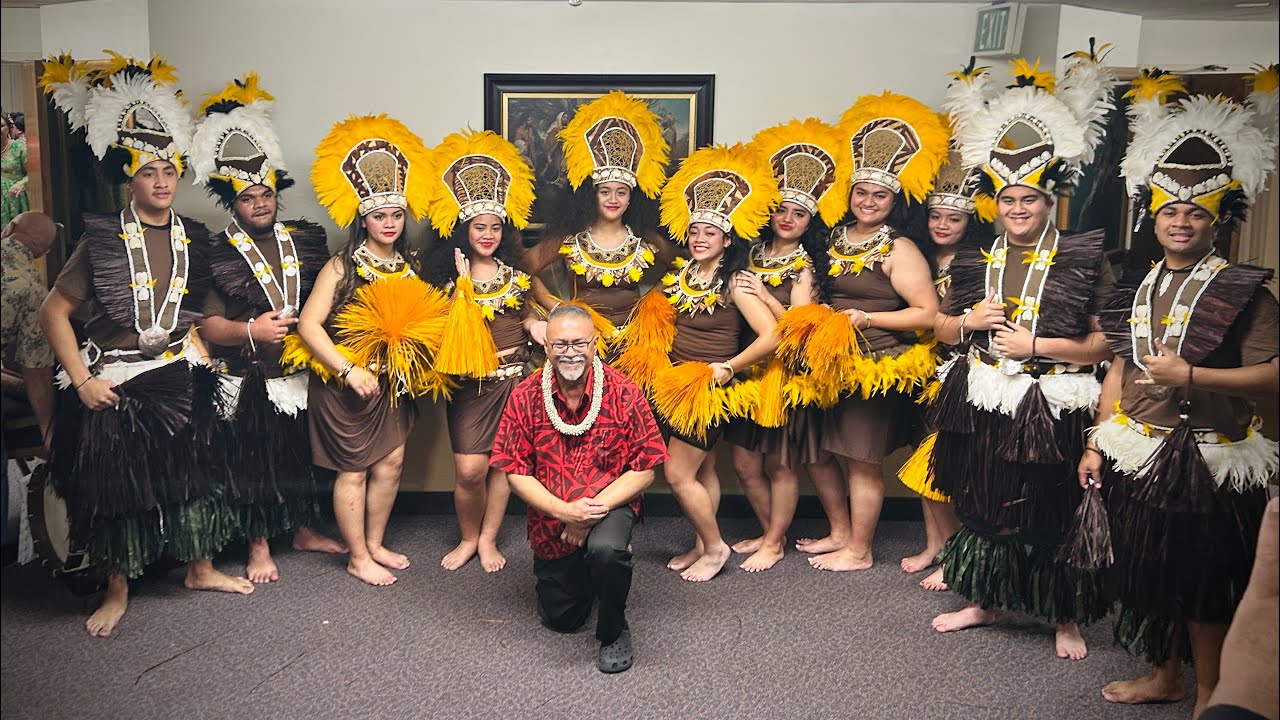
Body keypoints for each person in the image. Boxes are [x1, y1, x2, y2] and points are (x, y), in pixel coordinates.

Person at [1081, 68, 1278, 714]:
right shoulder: (1137, 284)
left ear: (1216, 222)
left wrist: (1191, 377)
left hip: (1207, 458)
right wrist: (1095, 442)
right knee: (1154, 575)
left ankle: (1212, 694)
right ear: (1154, 217)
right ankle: (1164, 676)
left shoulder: (1246, 290)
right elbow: (1119, 368)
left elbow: (1274, 373)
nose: (1182, 223)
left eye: (1196, 213)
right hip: (1139, 449)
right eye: (1171, 212)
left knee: (1202, 585)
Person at [38, 53, 252, 637]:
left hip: (176, 369)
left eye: (169, 172)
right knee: (118, 487)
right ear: (129, 178)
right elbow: (53, 311)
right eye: (149, 173)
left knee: (198, 471)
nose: (161, 182)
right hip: (116, 378)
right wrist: (83, 381)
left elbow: (194, 318)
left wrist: (206, 363)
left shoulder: (195, 238)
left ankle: (199, 567)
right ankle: (116, 590)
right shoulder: (102, 240)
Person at [928, 48, 1117, 659]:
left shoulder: (1086, 257)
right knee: (983, 504)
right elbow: (939, 332)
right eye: (1008, 201)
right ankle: (981, 601)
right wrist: (966, 321)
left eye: (1028, 200)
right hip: (988, 396)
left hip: (1055, 401)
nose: (1017, 210)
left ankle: (1065, 618)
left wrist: (1040, 344)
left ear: (1049, 199)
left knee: (1051, 510)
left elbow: (1105, 344)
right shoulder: (978, 257)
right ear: (996, 202)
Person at [783, 94, 945, 574]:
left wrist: (868, 319)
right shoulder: (830, 238)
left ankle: (860, 550)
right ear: (850, 195)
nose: (868, 202)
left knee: (862, 461)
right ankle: (845, 536)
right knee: (834, 453)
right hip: (831, 364)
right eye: (862, 193)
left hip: (875, 366)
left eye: (880, 195)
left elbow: (926, 314)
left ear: (894, 201)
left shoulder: (900, 247)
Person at [191, 74, 344, 584]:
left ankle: (302, 528)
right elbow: (209, 325)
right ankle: (258, 547)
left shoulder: (305, 238)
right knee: (254, 460)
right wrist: (251, 330)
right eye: (248, 198)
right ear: (230, 203)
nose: (260, 203)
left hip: (300, 370)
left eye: (266, 194)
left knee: (301, 454)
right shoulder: (217, 251)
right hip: (249, 372)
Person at [616, 143, 781, 582]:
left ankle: (714, 547)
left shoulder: (737, 282)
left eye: (710, 232)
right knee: (703, 468)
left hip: (706, 390)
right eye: (695, 231)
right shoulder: (683, 276)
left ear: (727, 238)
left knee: (675, 471)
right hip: (672, 383)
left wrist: (727, 367)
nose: (700, 238)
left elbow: (773, 335)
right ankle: (699, 542)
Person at [490, 304, 668, 673]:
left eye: (578, 343)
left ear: (594, 344)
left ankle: (614, 627)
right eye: (560, 344)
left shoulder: (624, 392)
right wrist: (563, 511)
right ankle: (595, 576)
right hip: (552, 514)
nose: (570, 351)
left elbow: (647, 466)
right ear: (546, 346)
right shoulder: (525, 396)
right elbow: (513, 470)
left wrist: (587, 516)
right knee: (562, 619)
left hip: (609, 503)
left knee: (607, 549)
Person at [297, 114, 435, 586]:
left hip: (392, 386)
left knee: (391, 463)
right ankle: (357, 556)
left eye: (397, 215)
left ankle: (375, 543)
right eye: (380, 216)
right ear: (363, 217)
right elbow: (309, 326)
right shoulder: (341, 265)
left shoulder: (409, 264)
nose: (390, 223)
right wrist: (347, 369)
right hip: (346, 387)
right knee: (353, 472)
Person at [726, 118, 843, 572]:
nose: (789, 219)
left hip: (785, 375)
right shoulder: (748, 256)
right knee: (744, 466)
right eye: (782, 210)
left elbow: (799, 329)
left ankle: (775, 542)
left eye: (800, 214)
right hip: (750, 370)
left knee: (782, 465)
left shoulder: (807, 265)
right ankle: (768, 530)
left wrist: (765, 297)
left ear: (810, 221)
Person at [422, 129, 539, 573]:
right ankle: (468, 537)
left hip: (515, 381)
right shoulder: (443, 275)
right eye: (478, 226)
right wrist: (463, 288)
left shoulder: (514, 272)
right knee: (470, 470)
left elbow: (523, 316)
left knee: (502, 467)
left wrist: (537, 325)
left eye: (494, 226)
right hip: (470, 386)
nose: (487, 234)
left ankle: (488, 539)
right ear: (463, 228)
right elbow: (439, 331)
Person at [896, 148, 994, 591]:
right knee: (921, 461)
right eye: (936, 217)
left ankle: (954, 553)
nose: (942, 225)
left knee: (948, 468)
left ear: (968, 223)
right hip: (920, 368)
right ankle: (934, 544)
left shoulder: (979, 262)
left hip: (959, 372)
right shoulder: (921, 257)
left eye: (952, 220)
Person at [521, 91, 676, 351]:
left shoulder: (643, 236)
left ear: (631, 198)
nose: (613, 199)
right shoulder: (571, 237)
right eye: (605, 191)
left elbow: (681, 266)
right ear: (592, 195)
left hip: (633, 344)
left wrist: (651, 303)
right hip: (581, 345)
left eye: (621, 192)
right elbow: (523, 268)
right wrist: (559, 309)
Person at [1, 113, 30, 227]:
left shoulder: (19, 148)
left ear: (8, 128)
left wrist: (21, 184)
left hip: (15, 200)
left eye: (2, 126)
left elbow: (33, 175)